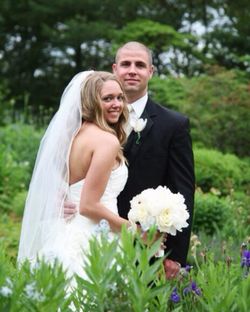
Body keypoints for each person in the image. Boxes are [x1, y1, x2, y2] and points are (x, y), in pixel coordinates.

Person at [64, 42, 195, 279]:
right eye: (125, 64)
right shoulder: (80, 126)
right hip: (91, 232)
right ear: (115, 69)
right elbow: (59, 169)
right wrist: (58, 197)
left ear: (151, 72)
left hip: (148, 244)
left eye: (140, 65)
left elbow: (183, 190)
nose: (132, 70)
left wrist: (174, 255)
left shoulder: (174, 125)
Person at [18, 71, 130, 279]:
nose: (117, 104)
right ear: (91, 101)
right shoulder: (107, 141)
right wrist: (132, 230)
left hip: (65, 232)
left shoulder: (71, 136)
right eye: (107, 98)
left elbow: (60, 180)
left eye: (119, 97)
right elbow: (88, 205)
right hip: (94, 238)